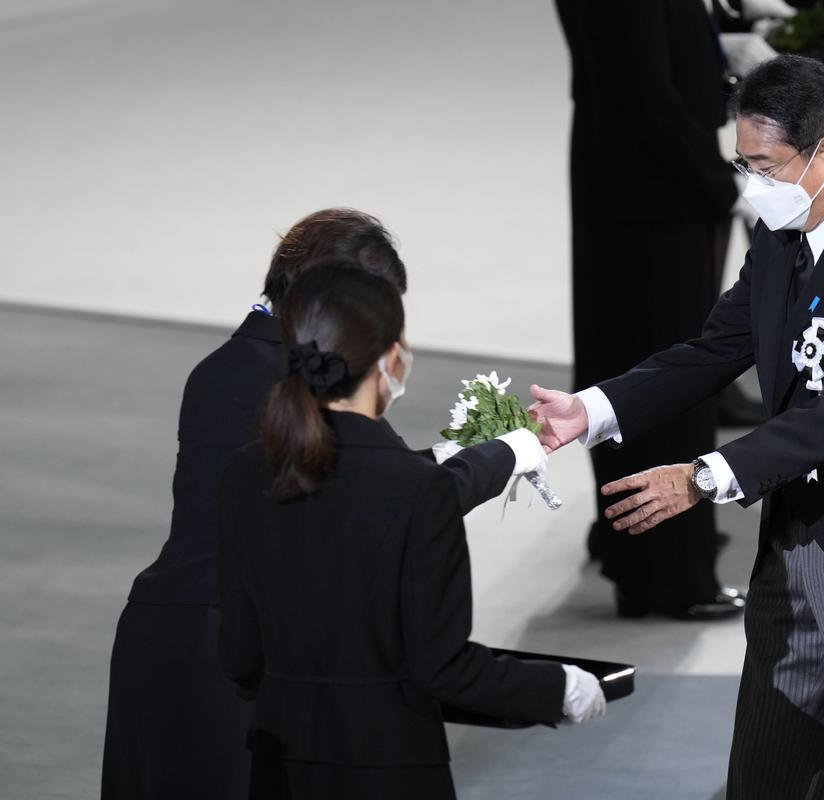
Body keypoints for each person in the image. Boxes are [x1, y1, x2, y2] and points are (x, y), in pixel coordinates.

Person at [529, 55, 824, 799]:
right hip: (793, 554)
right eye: (741, 165)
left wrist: (704, 476)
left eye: (765, 166)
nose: (750, 188)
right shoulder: (781, 241)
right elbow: (713, 350)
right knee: (762, 782)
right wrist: (596, 409)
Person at [101, 209, 544, 799]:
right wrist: (500, 456)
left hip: (173, 637)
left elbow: (354, 479)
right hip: (230, 659)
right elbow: (372, 497)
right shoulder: (284, 380)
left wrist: (459, 453)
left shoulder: (243, 366)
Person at [218, 262, 604, 799]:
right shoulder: (420, 489)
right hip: (390, 765)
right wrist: (557, 688)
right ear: (389, 359)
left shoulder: (243, 473)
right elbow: (441, 666)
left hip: (278, 764)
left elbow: (240, 655)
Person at [554, 0, 746, 620]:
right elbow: (644, 96)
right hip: (654, 195)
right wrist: (723, 185)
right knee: (666, 380)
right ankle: (667, 575)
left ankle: (638, 549)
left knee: (641, 367)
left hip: (643, 187)